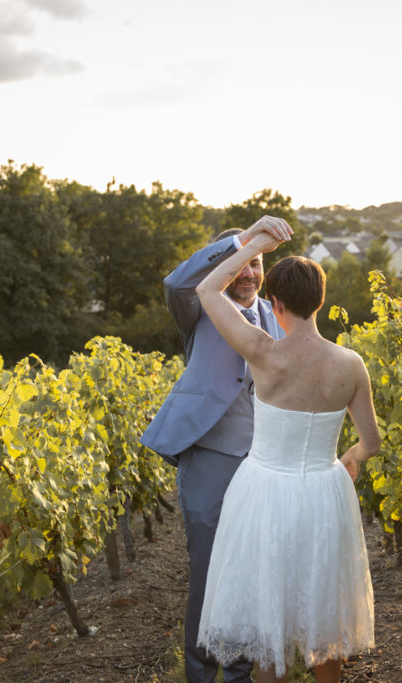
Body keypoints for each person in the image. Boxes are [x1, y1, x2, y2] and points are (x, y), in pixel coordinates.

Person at [193, 225, 381, 683]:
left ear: (275, 304)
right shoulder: (350, 364)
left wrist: (256, 246)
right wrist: (349, 461)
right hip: (324, 489)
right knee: (325, 620)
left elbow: (205, 288)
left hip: (263, 491)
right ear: (318, 301)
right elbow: (371, 442)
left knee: (268, 625)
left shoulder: (262, 352)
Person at [140, 216, 294, 683]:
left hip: (262, 466)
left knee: (251, 574)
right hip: (208, 456)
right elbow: (175, 282)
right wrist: (244, 239)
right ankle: (202, 675)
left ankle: (241, 673)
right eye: (241, 264)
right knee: (209, 575)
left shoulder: (274, 316)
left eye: (257, 264)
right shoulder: (198, 305)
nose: (248, 272)